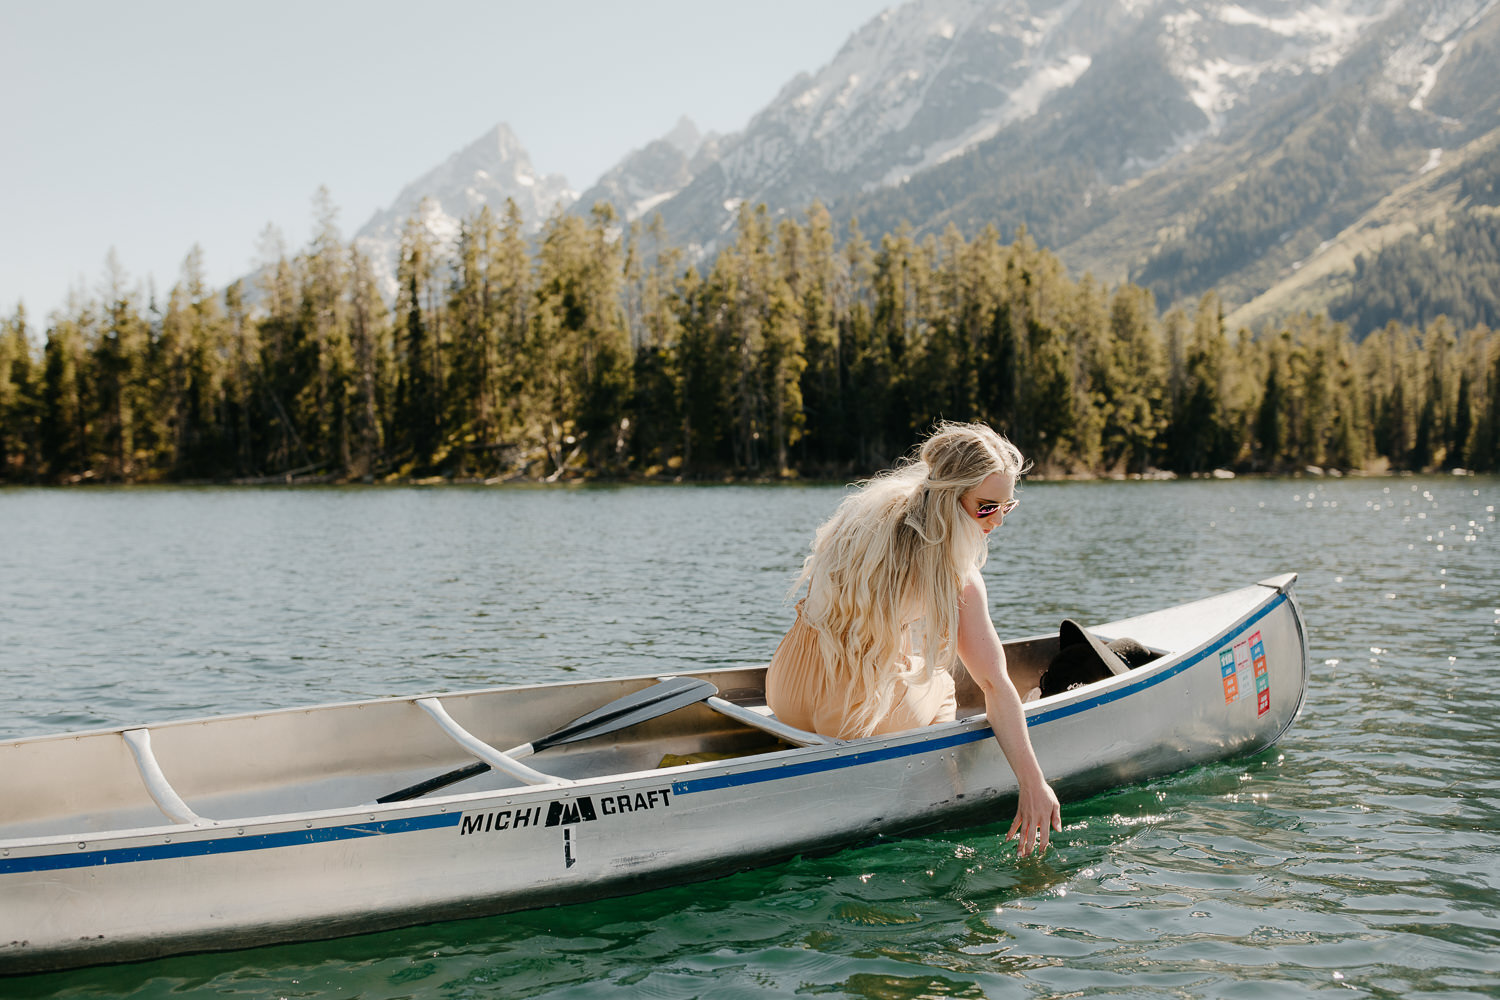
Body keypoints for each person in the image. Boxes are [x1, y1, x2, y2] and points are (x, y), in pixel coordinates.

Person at [766, 421, 1062, 856]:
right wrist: (1034, 783)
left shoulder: (861, 520)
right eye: (985, 507)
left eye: (1006, 507)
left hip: (786, 690)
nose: (997, 521)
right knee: (942, 685)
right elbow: (995, 685)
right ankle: (939, 792)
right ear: (949, 497)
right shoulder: (957, 576)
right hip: (847, 717)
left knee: (895, 647)